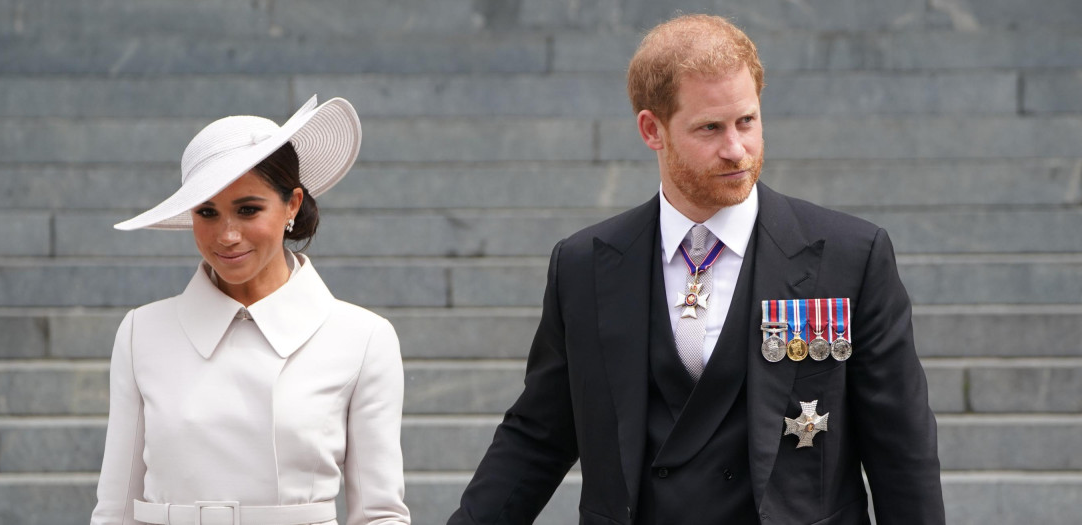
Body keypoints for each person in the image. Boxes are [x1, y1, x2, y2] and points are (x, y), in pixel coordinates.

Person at [448, 14, 944, 525]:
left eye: (746, 121)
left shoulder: (850, 255)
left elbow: (902, 449)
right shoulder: (584, 265)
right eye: (710, 127)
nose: (737, 150)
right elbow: (537, 434)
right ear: (651, 130)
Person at [91, 96, 411, 525]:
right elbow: (115, 509)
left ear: (292, 205)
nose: (227, 235)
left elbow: (380, 515)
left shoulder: (362, 338)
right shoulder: (141, 332)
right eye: (207, 212)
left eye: (248, 209)